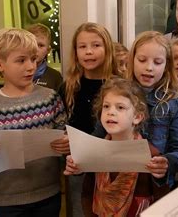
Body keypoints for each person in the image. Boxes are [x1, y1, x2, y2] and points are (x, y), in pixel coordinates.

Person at [0, 28, 69, 217]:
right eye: (21, 60)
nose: (30, 67)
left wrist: (67, 146)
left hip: (49, 195)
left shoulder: (50, 98)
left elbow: (67, 145)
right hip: (7, 200)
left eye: (33, 59)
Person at [64, 77, 172, 216]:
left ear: (137, 117)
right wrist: (77, 166)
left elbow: (161, 201)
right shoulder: (95, 151)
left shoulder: (151, 155)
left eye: (120, 107)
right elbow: (87, 194)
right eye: (106, 106)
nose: (111, 112)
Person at [58, 22, 117, 217]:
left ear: (107, 48)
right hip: (79, 167)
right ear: (75, 52)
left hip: (112, 166)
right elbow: (63, 125)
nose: (89, 52)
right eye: (82, 47)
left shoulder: (119, 85)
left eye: (96, 45)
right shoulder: (68, 87)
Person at [124, 31, 178, 188]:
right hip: (119, 184)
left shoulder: (175, 104)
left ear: (167, 66)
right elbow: (99, 139)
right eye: (142, 60)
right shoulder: (116, 95)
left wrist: (167, 162)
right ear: (132, 60)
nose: (149, 68)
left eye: (158, 62)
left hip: (155, 187)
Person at [26, 23, 63, 91]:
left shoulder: (55, 77)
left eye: (40, 45)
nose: (36, 49)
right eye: (32, 44)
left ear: (48, 50)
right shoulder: (18, 73)